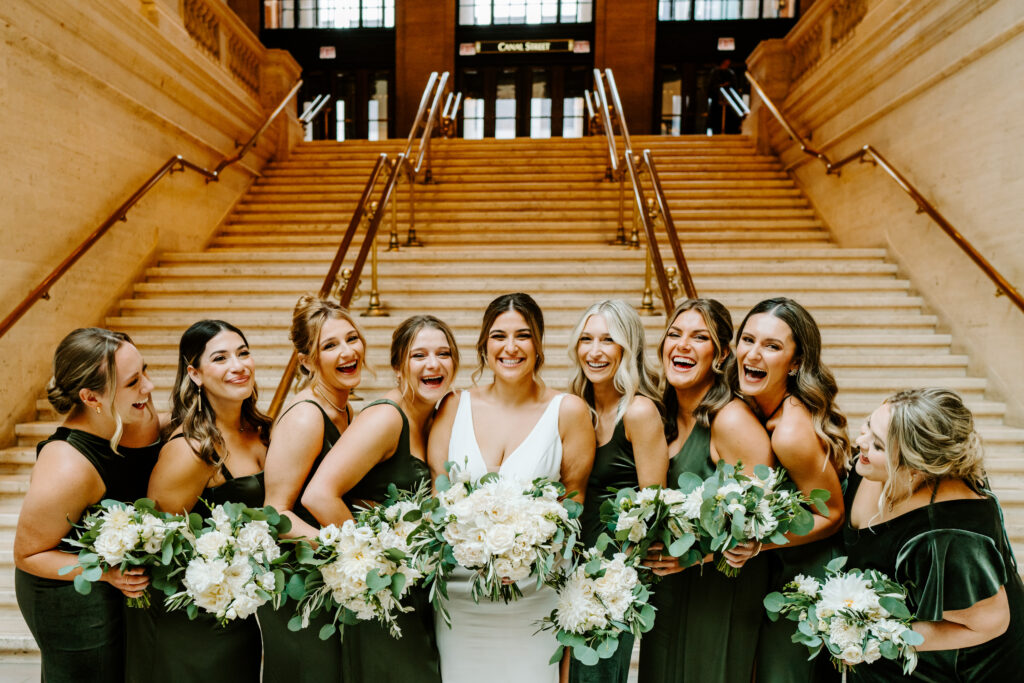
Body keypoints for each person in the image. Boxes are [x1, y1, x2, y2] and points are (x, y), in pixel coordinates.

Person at [427, 292, 595, 683]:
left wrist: (527, 556)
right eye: (499, 336)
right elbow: (438, 491)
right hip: (460, 591)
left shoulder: (568, 411)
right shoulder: (454, 405)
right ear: (484, 345)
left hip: (534, 591)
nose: (511, 347)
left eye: (523, 335)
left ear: (538, 344)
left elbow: (574, 499)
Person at [303, 314, 460, 683]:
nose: (433, 364)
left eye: (443, 353)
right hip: (381, 594)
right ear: (397, 366)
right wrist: (376, 563)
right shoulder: (385, 419)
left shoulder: (433, 417)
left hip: (413, 591)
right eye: (418, 355)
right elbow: (319, 495)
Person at [844, 388, 1024, 682]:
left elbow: (991, 622)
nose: (859, 442)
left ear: (914, 467)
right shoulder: (870, 466)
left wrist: (871, 634)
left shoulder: (947, 539)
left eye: (877, 445)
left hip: (957, 669)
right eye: (867, 424)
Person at [638, 299, 773, 683]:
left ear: (722, 353)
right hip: (669, 590)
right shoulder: (659, 416)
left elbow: (763, 518)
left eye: (700, 338)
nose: (682, 345)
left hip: (718, 593)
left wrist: (696, 557)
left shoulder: (730, 420)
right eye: (674, 335)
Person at [14, 328, 161, 683]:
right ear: (90, 397)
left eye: (145, 370)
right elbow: (28, 555)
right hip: (66, 588)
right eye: (132, 382)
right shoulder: (68, 466)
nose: (149, 386)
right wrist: (107, 573)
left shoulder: (138, 413)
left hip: (117, 582)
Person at [131, 320, 272, 683]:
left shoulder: (263, 432)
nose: (238, 366)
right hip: (191, 623)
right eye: (221, 358)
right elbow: (153, 543)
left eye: (243, 353)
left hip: (239, 614)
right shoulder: (193, 450)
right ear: (194, 373)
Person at [728, 297, 848, 683]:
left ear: (796, 363)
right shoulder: (753, 406)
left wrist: (759, 544)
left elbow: (832, 516)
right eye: (748, 339)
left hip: (806, 573)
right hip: (777, 565)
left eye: (772, 346)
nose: (754, 354)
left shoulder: (791, 433)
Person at [260, 295, 367, 683]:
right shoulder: (307, 416)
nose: (347, 351)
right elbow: (275, 515)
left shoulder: (348, 410)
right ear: (306, 361)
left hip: (333, 579)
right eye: (330, 345)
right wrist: (347, 549)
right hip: (301, 584)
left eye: (352, 338)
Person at [567, 299, 669, 683]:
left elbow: (653, 506)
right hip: (567, 558)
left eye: (608, 340)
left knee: (597, 673)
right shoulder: (575, 406)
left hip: (613, 570)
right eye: (586, 339)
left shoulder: (639, 413)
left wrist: (619, 579)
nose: (594, 351)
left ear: (628, 348)